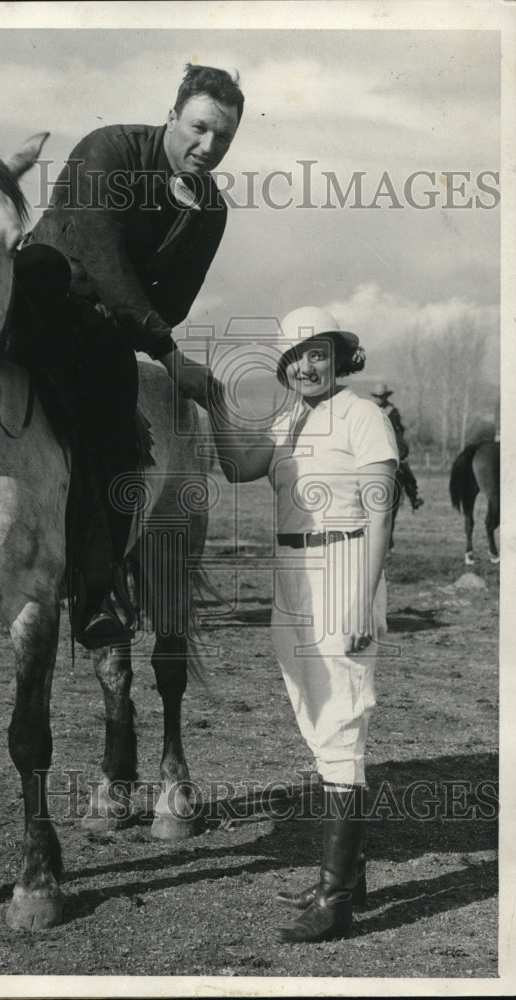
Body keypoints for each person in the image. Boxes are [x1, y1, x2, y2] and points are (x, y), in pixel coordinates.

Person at [20, 62, 243, 646]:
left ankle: (93, 596)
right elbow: (104, 258)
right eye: (198, 127)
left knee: (123, 441)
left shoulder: (211, 211)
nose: (207, 145)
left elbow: (176, 301)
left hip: (107, 334)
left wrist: (143, 332)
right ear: (171, 116)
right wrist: (170, 357)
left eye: (222, 137)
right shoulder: (109, 150)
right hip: (42, 307)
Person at [210, 307, 398, 943]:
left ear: (340, 356)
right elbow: (238, 466)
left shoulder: (364, 416)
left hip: (343, 563)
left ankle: (336, 899)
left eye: (317, 353)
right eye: (294, 357)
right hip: (291, 571)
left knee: (342, 723)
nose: (306, 366)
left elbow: (382, 517)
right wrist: (211, 399)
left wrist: (362, 602)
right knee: (316, 720)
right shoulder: (290, 419)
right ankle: (351, 872)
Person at [370, 382, 424, 512]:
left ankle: (413, 497)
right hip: (375, 446)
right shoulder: (374, 410)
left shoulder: (391, 411)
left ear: (386, 397)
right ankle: (413, 497)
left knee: (407, 473)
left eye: (382, 396)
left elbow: (398, 430)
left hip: (385, 447)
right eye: (378, 396)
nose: (380, 399)